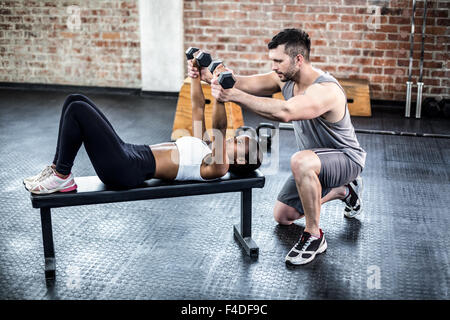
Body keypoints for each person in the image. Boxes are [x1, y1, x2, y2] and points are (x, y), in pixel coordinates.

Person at [188, 28, 366, 266]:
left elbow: (286, 112)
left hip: (345, 160)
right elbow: (242, 83)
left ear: (298, 59)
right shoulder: (284, 79)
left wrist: (233, 96)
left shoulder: (326, 90)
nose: (273, 67)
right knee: (283, 216)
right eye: (272, 61)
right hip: (316, 163)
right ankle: (343, 191)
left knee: (300, 161)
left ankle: (314, 235)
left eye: (278, 61)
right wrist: (208, 76)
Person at [24, 62, 262, 195]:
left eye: (242, 144)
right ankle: (57, 170)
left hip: (126, 168)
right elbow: (198, 107)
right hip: (129, 152)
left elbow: (220, 127)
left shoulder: (217, 167)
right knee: (75, 100)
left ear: (241, 162)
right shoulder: (205, 147)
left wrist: (221, 96)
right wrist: (197, 77)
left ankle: (62, 176)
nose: (237, 139)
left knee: (78, 111)